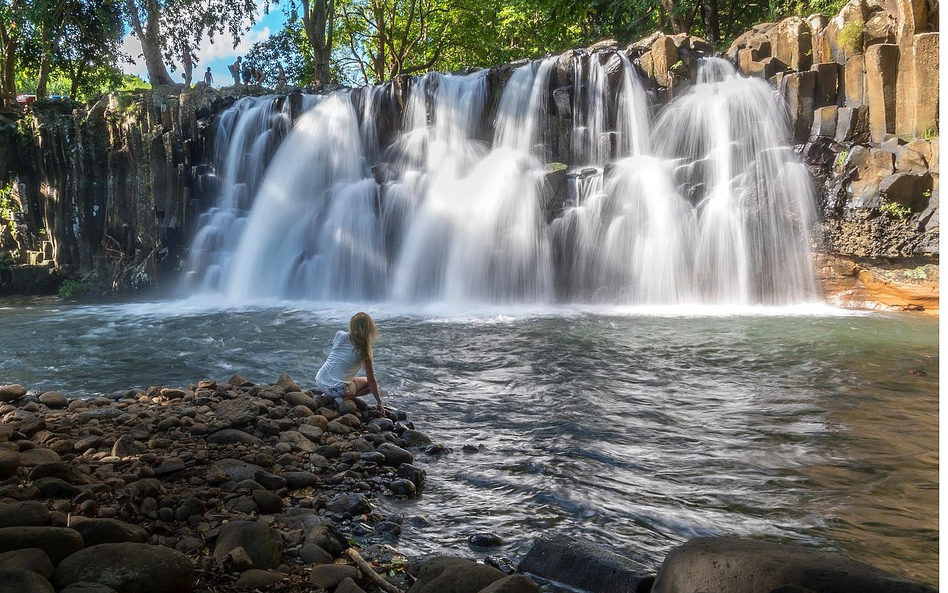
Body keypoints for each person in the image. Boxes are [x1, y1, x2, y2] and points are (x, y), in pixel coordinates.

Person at [315, 312, 386, 414]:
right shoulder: (364, 350)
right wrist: (379, 402)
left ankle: (327, 395)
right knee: (369, 385)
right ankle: (345, 399)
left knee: (345, 376)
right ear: (369, 328)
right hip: (336, 389)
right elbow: (371, 380)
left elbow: (340, 358)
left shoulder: (339, 335)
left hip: (320, 381)